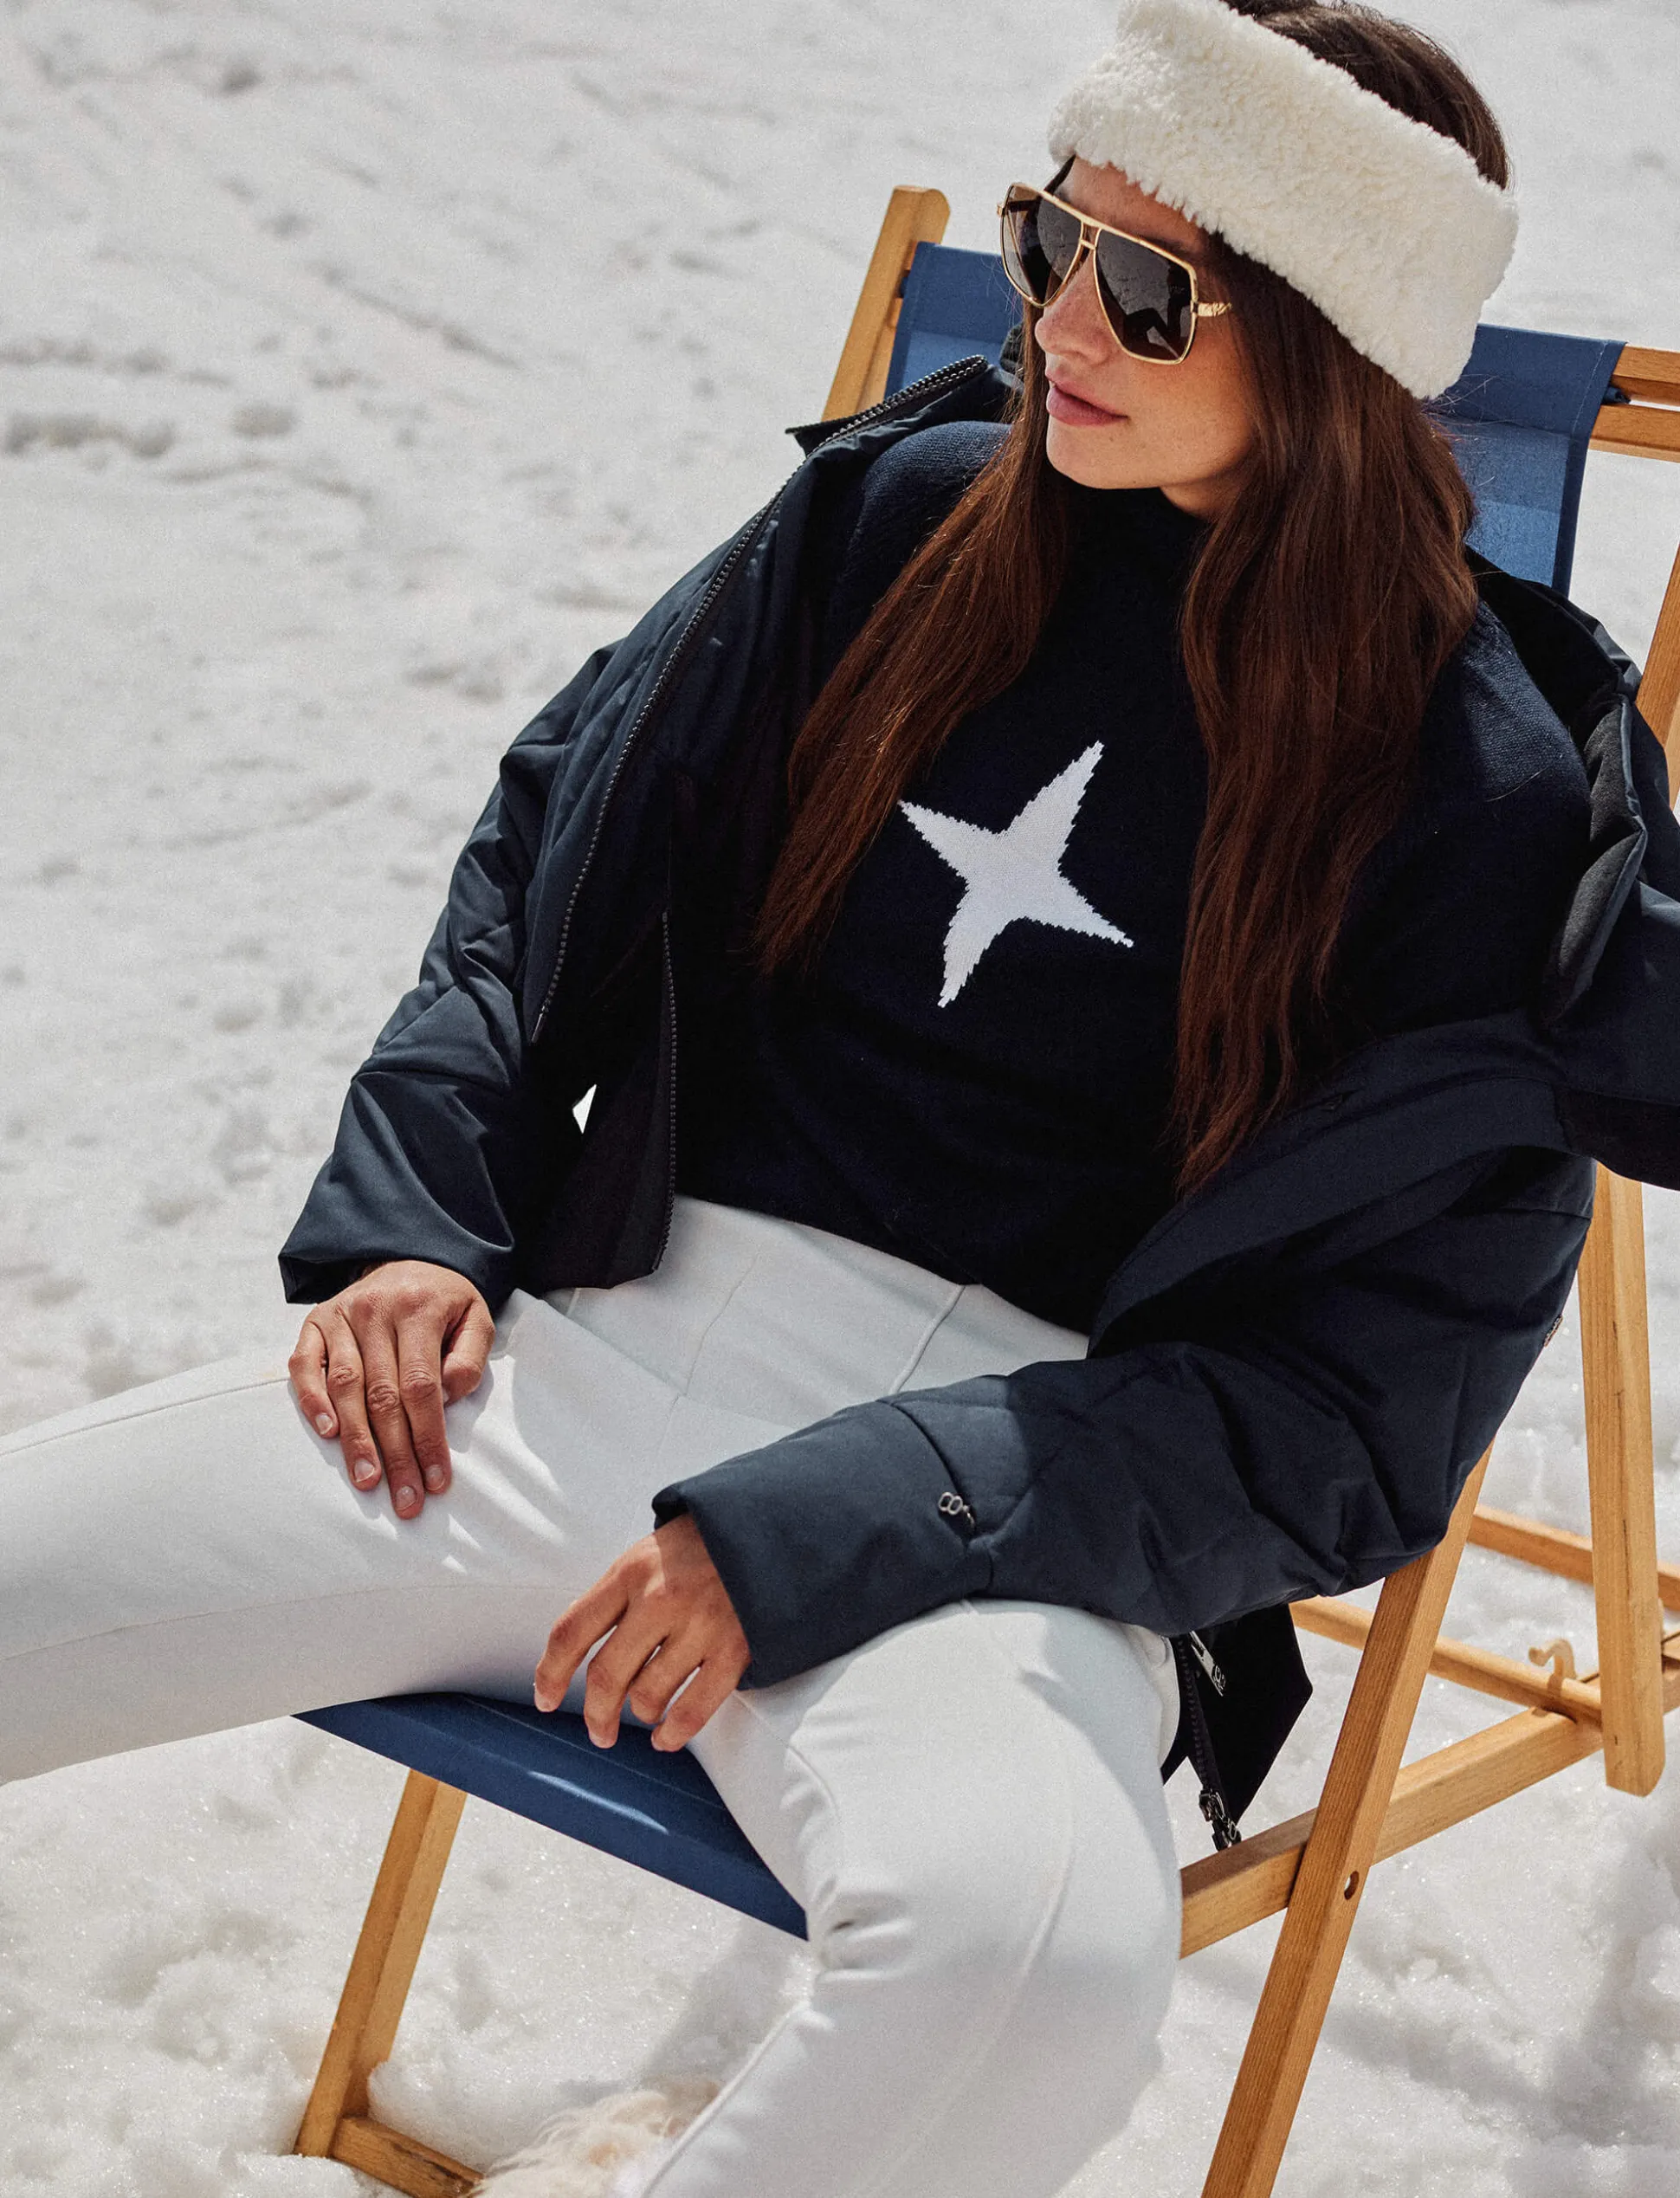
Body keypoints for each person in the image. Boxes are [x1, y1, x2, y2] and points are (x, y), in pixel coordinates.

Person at [5, 2, 1679, 2193]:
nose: (1052, 319)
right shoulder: (897, 521)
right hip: (594, 1356)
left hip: (1024, 1510)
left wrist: (835, 1523)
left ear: (1336, 340)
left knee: (1028, 1974)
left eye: (1144, 288)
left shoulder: (1489, 804)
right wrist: (424, 1217)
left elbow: (1344, 1421)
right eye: (1045, 238)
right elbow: (549, 859)